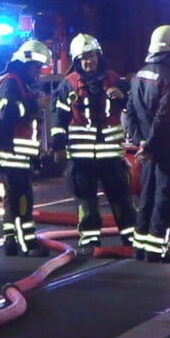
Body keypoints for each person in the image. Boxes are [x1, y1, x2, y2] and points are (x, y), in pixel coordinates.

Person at [51, 33, 136, 255]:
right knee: (86, 202)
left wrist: (123, 98)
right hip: (81, 158)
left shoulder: (115, 80)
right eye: (84, 58)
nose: (90, 62)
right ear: (77, 61)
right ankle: (90, 240)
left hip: (111, 157)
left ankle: (131, 237)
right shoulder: (67, 86)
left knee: (121, 199)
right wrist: (58, 146)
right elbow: (58, 118)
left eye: (92, 57)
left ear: (99, 56)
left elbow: (135, 106)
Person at [0, 39, 52, 257]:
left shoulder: (19, 81)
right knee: (22, 200)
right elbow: (10, 112)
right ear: (26, 63)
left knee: (12, 199)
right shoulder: (11, 82)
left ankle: (9, 240)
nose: (38, 72)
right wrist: (33, 105)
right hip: (11, 153)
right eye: (36, 67)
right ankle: (27, 244)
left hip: (13, 153)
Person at [125, 25, 170, 264]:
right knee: (166, 199)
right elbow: (165, 119)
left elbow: (129, 113)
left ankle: (139, 247)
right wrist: (151, 146)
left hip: (148, 151)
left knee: (148, 198)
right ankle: (156, 250)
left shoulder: (139, 75)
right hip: (166, 151)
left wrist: (140, 142)